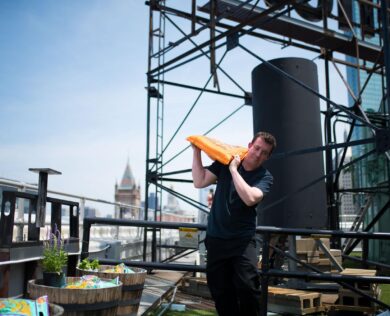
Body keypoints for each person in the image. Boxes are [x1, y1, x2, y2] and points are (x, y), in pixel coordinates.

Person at [191, 131, 276, 316]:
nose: (258, 154)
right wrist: (196, 150)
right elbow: (199, 181)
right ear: (250, 145)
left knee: (248, 288)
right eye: (257, 148)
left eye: (264, 152)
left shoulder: (265, 177)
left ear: (268, 157)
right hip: (216, 238)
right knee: (220, 292)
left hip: (242, 241)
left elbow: (250, 198)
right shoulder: (224, 161)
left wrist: (233, 170)